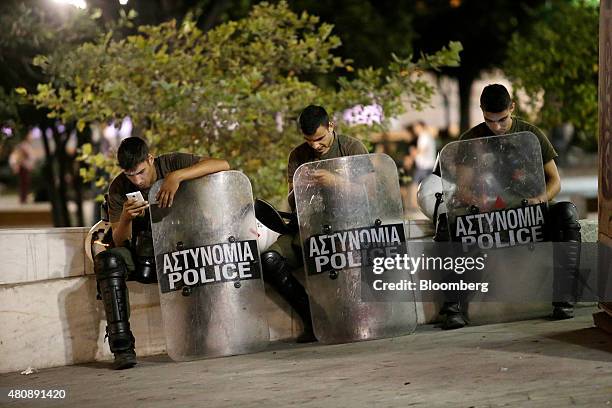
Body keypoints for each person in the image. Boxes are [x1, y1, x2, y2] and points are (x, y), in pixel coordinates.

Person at [439, 84, 581, 329]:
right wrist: (477, 201)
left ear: (512, 108)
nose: (496, 127)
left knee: (567, 214)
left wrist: (541, 199)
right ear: (482, 111)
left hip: (531, 213)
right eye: (490, 120)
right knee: (448, 226)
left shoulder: (531, 134)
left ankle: (564, 301)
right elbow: (461, 189)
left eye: (502, 120)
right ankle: (453, 308)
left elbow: (555, 181)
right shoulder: (471, 139)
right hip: (488, 218)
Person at [94, 137, 229, 369]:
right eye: (130, 175)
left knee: (202, 253)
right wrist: (126, 217)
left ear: (150, 159)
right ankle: (122, 347)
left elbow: (223, 165)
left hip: (182, 245)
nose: (137, 180)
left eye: (141, 172)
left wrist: (176, 177)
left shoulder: (171, 163)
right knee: (109, 261)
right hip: (143, 251)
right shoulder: (118, 188)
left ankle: (198, 338)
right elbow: (119, 240)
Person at [260, 105, 368, 343]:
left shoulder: (351, 147)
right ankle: (315, 319)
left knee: (342, 255)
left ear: (331, 126)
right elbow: (291, 200)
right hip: (309, 227)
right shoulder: (298, 155)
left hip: (347, 226)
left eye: (319, 139)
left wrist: (334, 181)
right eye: (309, 140)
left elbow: (370, 193)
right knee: (270, 260)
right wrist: (302, 187)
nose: (315, 145)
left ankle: (352, 319)